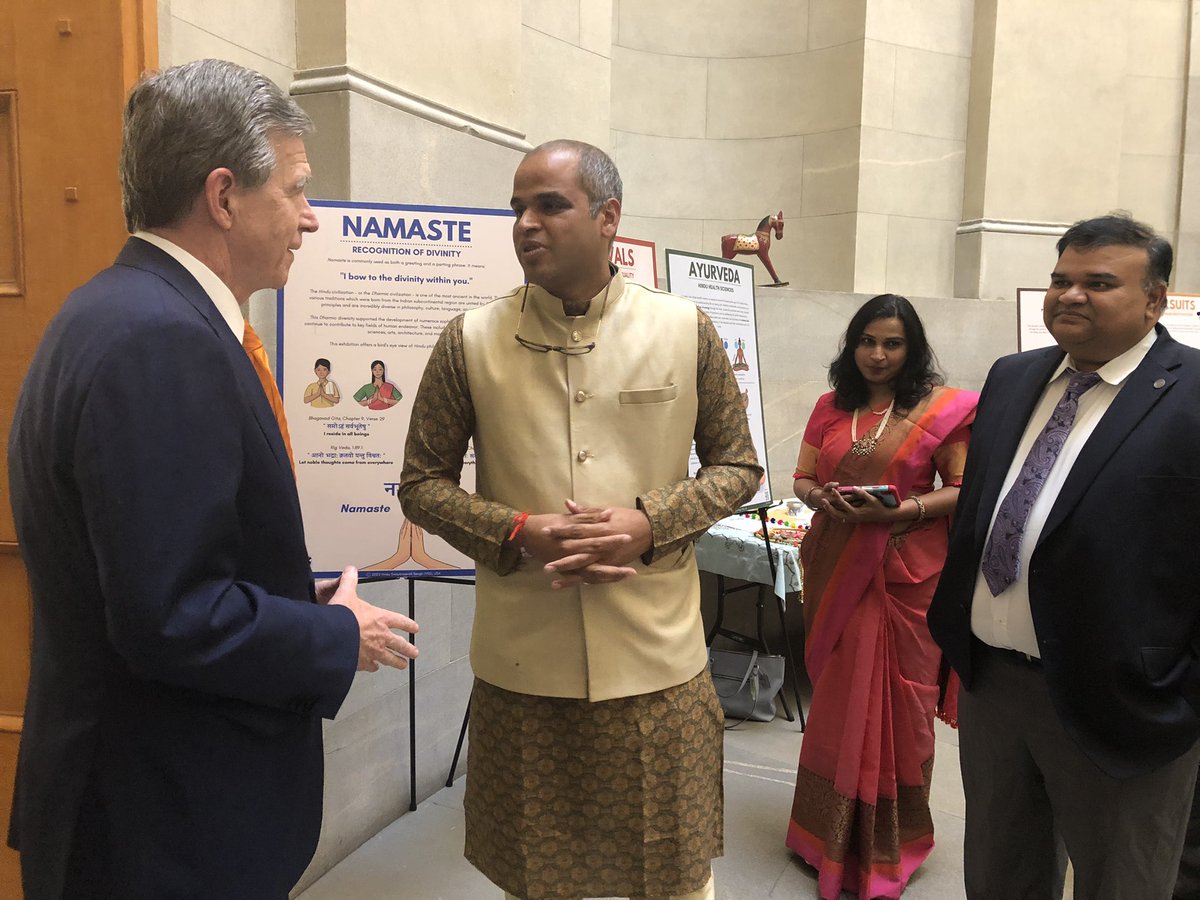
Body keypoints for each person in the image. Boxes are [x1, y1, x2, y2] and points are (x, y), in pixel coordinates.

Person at [6, 59, 420, 900]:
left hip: (144, 805)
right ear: (224, 196)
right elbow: (173, 615)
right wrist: (337, 636)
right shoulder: (162, 341)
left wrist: (302, 597)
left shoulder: (113, 310)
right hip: (161, 826)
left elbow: (163, 557)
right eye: (298, 190)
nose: (311, 220)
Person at [398, 139, 762, 900]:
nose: (526, 224)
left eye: (550, 205)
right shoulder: (468, 341)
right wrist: (517, 530)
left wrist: (649, 523)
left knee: (671, 875)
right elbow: (421, 485)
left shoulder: (684, 329)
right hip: (523, 664)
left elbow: (739, 466)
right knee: (537, 875)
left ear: (608, 217)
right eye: (517, 209)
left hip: (658, 663)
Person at [927, 214, 1200, 898]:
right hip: (994, 689)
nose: (1069, 295)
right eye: (1060, 279)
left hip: (1124, 706)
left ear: (1154, 300)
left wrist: (1181, 692)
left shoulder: (1192, 393)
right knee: (1000, 873)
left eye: (1099, 283)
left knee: (1121, 882)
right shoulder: (1013, 378)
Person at [786, 294, 977, 898]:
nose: (877, 353)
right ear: (853, 345)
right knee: (841, 700)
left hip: (905, 573)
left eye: (892, 343)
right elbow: (804, 477)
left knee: (899, 707)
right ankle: (823, 835)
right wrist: (824, 500)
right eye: (867, 341)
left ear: (911, 348)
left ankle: (892, 841)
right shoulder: (830, 407)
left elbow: (965, 487)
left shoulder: (942, 411)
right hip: (838, 560)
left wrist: (908, 509)